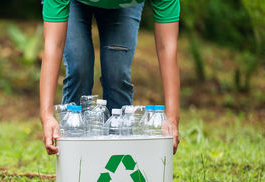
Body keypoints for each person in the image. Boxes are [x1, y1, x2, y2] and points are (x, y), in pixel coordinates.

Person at [39, 0, 180, 155]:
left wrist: (172, 117)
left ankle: (118, 163)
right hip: (74, 3)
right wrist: (46, 116)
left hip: (124, 7)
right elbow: (54, 45)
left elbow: (167, 48)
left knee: (117, 76)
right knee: (79, 68)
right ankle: (75, 162)